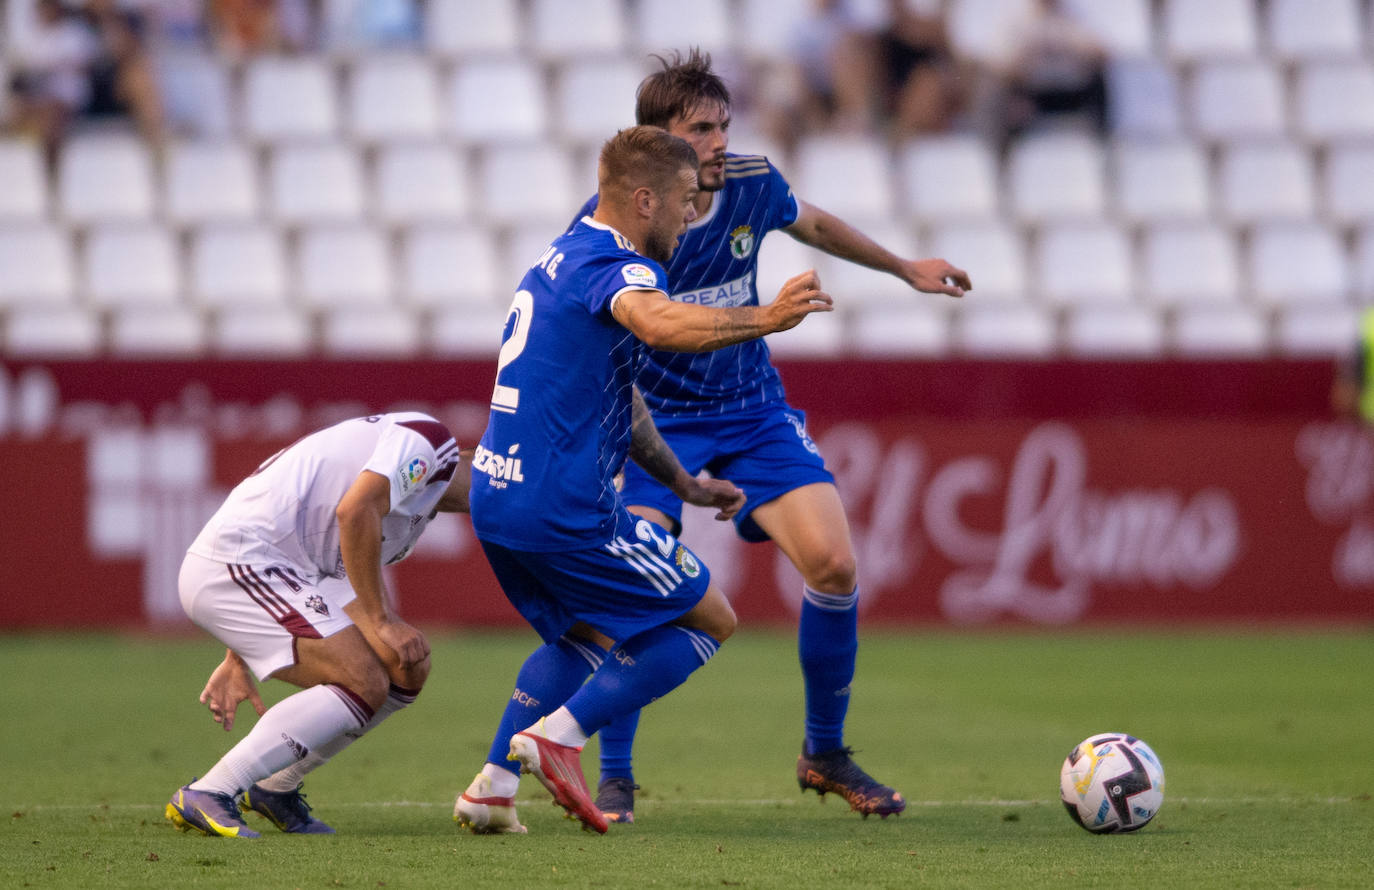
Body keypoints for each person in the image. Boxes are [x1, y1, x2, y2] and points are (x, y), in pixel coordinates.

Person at [570, 49, 972, 825]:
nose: (720, 141)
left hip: (753, 412)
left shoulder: (751, 181)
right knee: (644, 590)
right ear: (656, 143)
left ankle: (823, 752)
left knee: (833, 563)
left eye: (723, 125)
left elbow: (811, 221)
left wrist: (902, 268)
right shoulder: (622, 219)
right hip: (655, 430)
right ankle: (615, 776)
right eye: (700, 129)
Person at [453, 125, 833, 835]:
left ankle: (492, 789)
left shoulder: (557, 258)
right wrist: (768, 318)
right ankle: (558, 738)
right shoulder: (619, 267)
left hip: (497, 499)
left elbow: (622, 398)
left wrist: (685, 485)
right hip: (564, 511)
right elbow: (655, 322)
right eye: (687, 200)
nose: (694, 216)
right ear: (644, 199)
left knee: (586, 635)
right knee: (710, 616)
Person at [165, 412, 468, 838]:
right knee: (361, 680)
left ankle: (275, 786)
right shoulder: (430, 439)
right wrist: (381, 619)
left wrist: (239, 654)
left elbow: (328, 561)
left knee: (405, 665)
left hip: (276, 572)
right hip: (239, 562)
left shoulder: (414, 505)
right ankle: (212, 790)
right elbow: (353, 509)